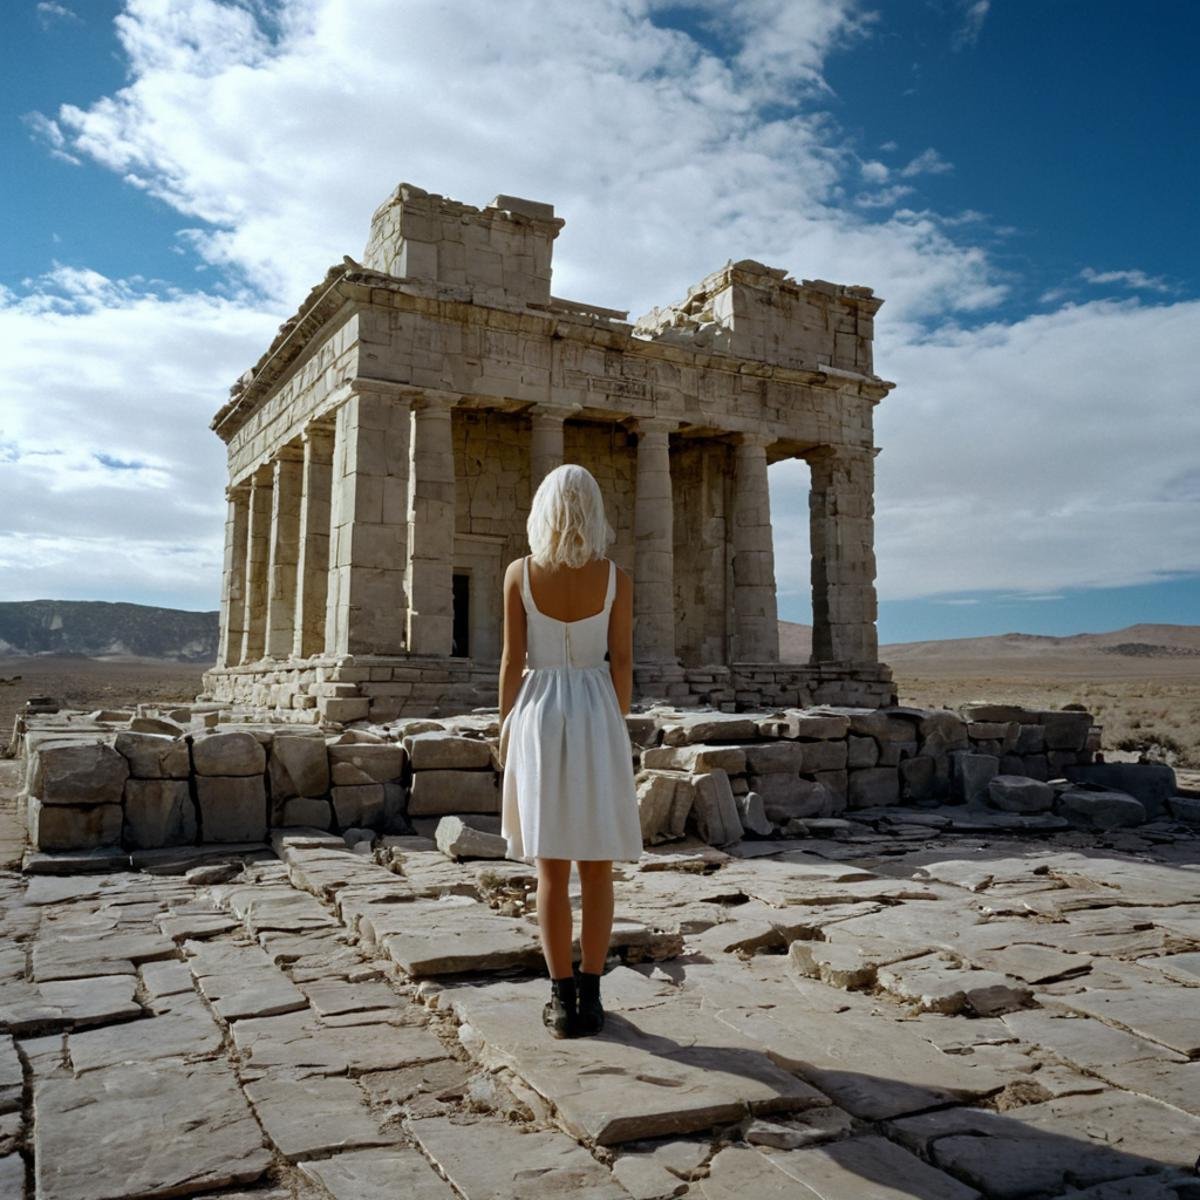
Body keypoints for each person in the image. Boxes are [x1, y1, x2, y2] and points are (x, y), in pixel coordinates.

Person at [497, 463, 643, 1039]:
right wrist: (615, 718)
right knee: (598, 867)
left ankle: (560, 1003)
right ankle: (592, 993)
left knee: (550, 870)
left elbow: (512, 661)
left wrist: (503, 724)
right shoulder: (616, 578)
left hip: (536, 710)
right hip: (596, 706)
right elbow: (624, 661)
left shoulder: (519, 574)